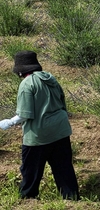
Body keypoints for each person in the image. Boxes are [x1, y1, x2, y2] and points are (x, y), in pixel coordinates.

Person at [0, 51, 78, 200]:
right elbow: (62, 103)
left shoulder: (26, 84)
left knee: (31, 170)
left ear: (20, 71)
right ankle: (72, 198)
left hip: (38, 135)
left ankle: (28, 198)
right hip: (61, 130)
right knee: (64, 169)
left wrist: (8, 122)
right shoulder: (51, 78)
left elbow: (24, 114)